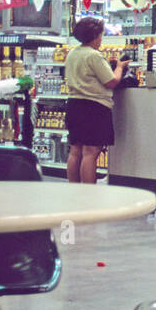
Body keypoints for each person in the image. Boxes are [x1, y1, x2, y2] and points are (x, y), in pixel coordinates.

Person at [64, 16, 129, 184]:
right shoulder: (94, 55)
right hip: (93, 108)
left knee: (75, 151)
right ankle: (89, 194)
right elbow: (112, 81)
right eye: (100, 35)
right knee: (90, 152)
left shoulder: (73, 53)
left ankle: (73, 189)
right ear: (94, 36)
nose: (101, 39)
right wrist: (120, 68)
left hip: (74, 105)